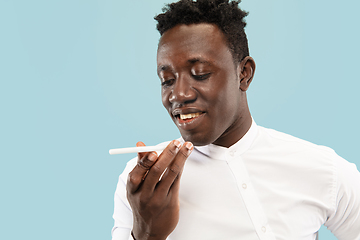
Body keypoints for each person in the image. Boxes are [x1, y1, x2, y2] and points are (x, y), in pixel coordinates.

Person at [111, 1, 360, 239]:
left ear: (244, 74)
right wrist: (147, 234)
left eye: (200, 74)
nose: (178, 94)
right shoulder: (142, 186)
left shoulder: (323, 169)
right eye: (167, 80)